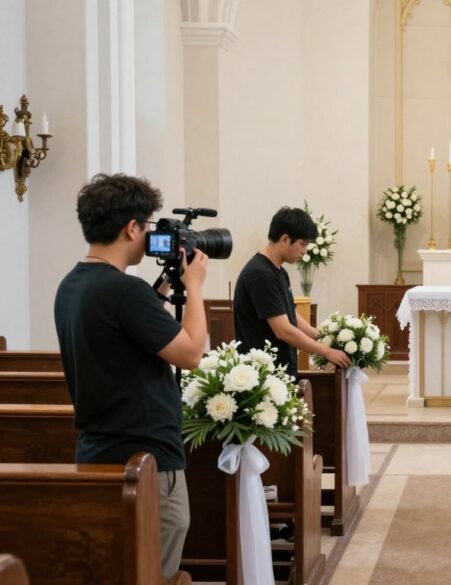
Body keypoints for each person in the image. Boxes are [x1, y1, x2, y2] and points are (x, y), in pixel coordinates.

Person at [54, 174, 209, 579]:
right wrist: (194, 286)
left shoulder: (72, 285)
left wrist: (160, 288)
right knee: (149, 569)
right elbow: (192, 353)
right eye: (148, 226)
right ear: (132, 227)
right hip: (145, 459)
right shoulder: (124, 291)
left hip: (96, 452)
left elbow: (126, 329)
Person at [233, 206, 351, 378]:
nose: (305, 251)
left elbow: (291, 315)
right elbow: (283, 330)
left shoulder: (279, 271)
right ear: (285, 239)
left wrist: (322, 336)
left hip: (279, 370)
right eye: (302, 244)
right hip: (263, 374)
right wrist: (325, 351)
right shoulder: (260, 275)